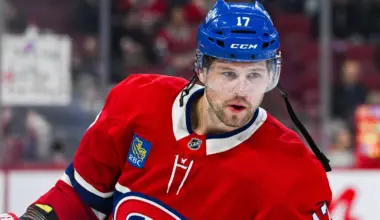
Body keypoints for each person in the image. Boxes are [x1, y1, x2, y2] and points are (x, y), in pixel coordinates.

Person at [1, 0, 332, 219]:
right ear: (202, 70)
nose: (242, 90)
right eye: (228, 73)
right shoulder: (137, 103)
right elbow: (81, 200)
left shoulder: (294, 175)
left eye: (256, 75)